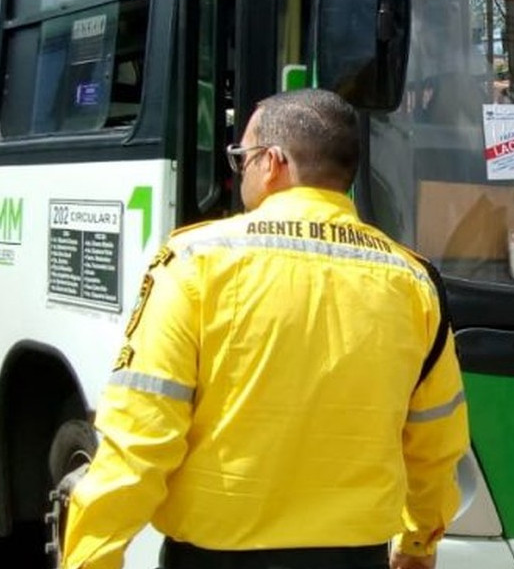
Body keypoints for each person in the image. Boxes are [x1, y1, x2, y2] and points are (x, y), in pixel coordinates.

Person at [61, 89, 469, 569]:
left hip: (217, 558)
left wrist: (91, 557)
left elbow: (139, 439)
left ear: (272, 163)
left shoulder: (195, 263)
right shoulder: (414, 282)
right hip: (357, 557)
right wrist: (420, 540)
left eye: (242, 159)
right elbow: (436, 443)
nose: (240, 174)